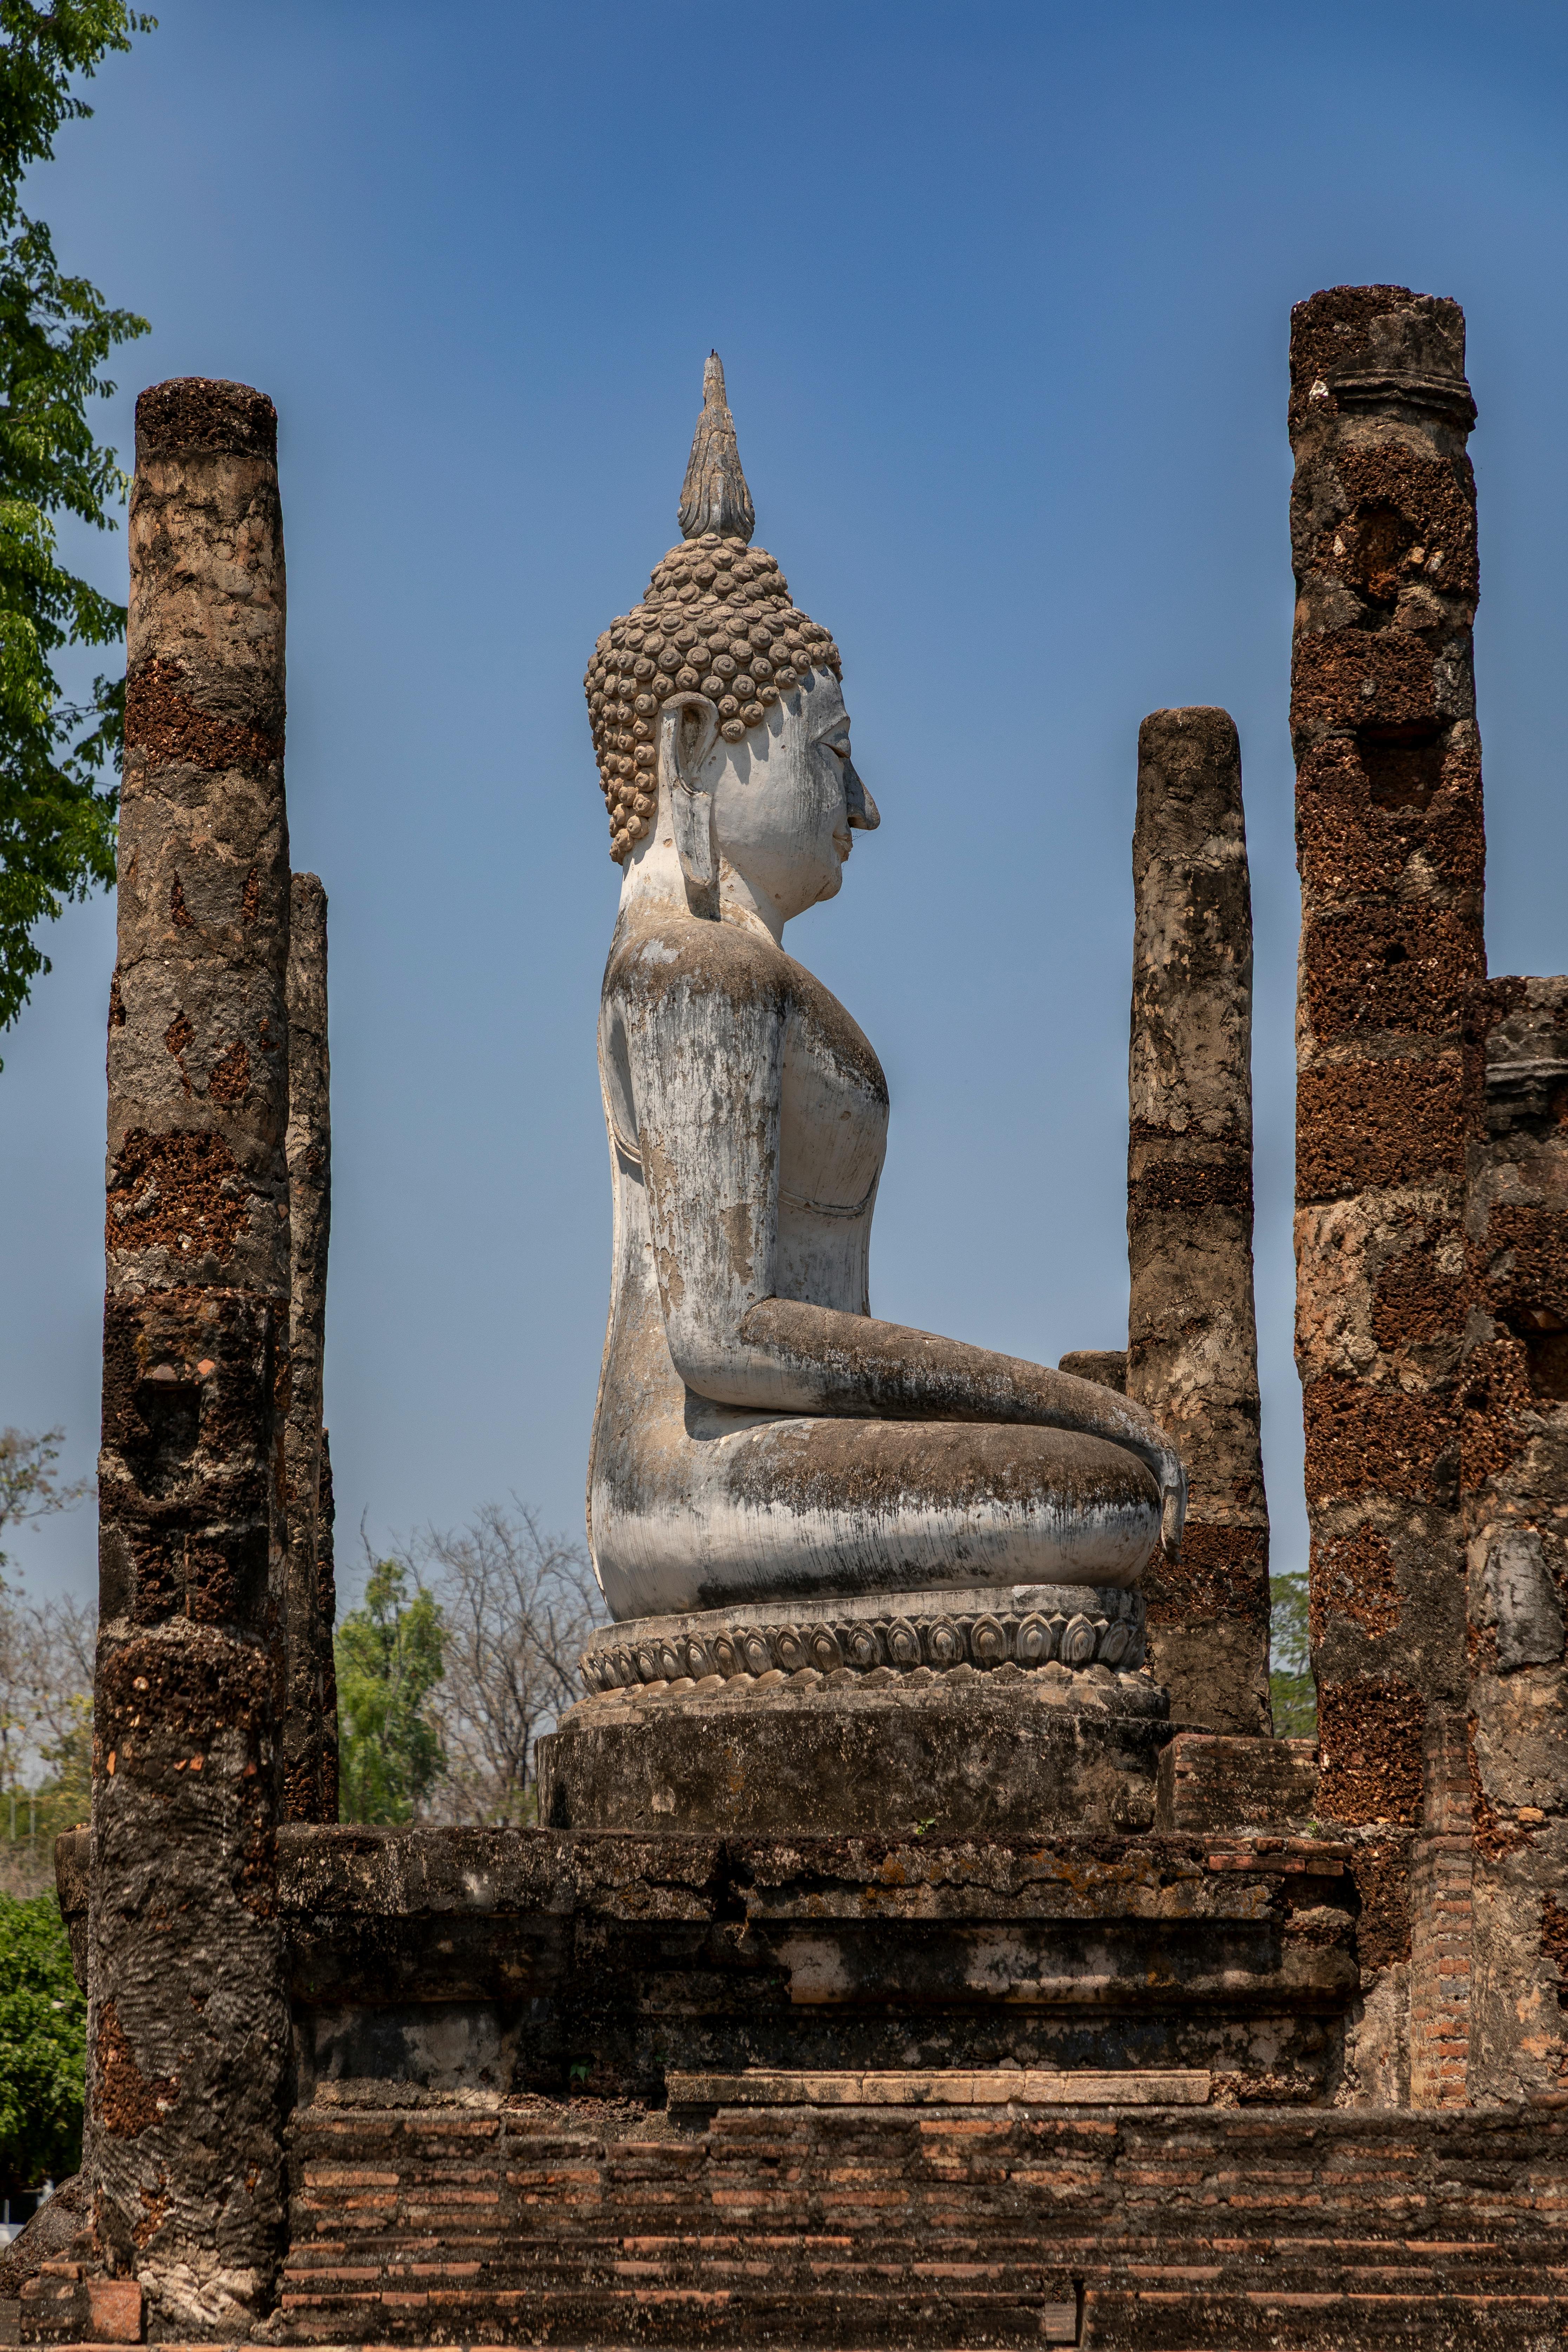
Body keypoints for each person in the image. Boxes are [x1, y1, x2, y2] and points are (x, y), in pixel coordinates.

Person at [583, 358, 1182, 1624]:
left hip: (765, 1460)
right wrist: (1057, 1395)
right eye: (831, 754)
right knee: (1099, 1491)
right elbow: (725, 1333)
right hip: (689, 1472)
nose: (860, 802)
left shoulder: (725, 970)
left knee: (1097, 1489)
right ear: (694, 747)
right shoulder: (695, 973)